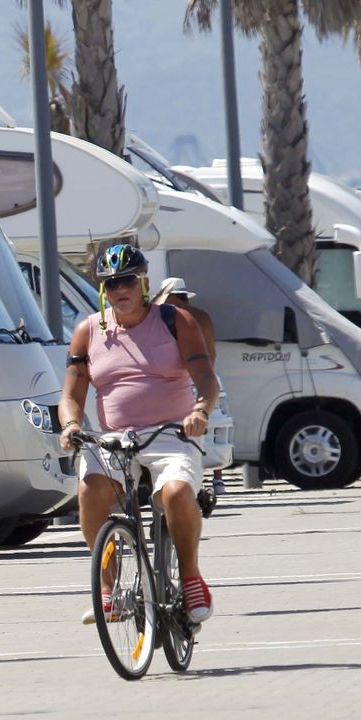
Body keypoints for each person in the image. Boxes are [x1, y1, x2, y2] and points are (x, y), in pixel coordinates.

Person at [59, 245, 221, 624]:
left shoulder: (174, 320)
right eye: (111, 282)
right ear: (103, 289)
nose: (120, 289)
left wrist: (200, 411)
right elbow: (70, 394)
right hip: (115, 438)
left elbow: (206, 380)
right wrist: (71, 425)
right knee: (91, 487)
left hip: (172, 434)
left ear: (144, 283)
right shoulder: (89, 330)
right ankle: (109, 588)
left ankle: (192, 577)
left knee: (178, 493)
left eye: (128, 279)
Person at [155, 277, 226, 508]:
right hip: (204, 377)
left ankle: (196, 486)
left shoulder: (171, 318)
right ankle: (214, 481)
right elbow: (211, 354)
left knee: (184, 434)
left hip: (181, 380)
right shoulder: (201, 316)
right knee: (204, 431)